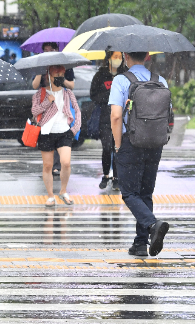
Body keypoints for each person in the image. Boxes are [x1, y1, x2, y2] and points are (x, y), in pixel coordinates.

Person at [109, 52, 170, 257]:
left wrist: (118, 145)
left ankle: (153, 224)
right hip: (155, 143)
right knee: (145, 192)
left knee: (129, 193)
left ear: (125, 56)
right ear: (147, 56)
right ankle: (141, 243)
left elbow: (116, 116)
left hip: (131, 142)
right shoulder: (160, 80)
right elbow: (167, 112)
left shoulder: (121, 80)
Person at [31, 65, 81, 207]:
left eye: (61, 73)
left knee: (66, 162)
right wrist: (48, 101)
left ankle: (63, 190)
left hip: (64, 132)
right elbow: (34, 111)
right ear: (48, 74)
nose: (59, 76)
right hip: (46, 133)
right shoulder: (40, 94)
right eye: (56, 73)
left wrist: (75, 129)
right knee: (48, 166)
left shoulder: (68, 93)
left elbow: (77, 111)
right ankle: (50, 195)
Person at [32, 42, 75, 176]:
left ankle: (56, 166)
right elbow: (34, 85)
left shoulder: (65, 65)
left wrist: (60, 79)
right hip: (46, 101)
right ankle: (49, 165)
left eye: (51, 50)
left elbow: (71, 85)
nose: (48, 52)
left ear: (57, 50)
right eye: (45, 50)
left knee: (59, 131)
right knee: (47, 133)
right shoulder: (41, 66)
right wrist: (41, 72)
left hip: (61, 101)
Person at [91, 51, 125, 190]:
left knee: (118, 148)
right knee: (106, 148)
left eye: (120, 57)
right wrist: (109, 96)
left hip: (121, 118)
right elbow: (93, 95)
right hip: (105, 118)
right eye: (115, 57)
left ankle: (117, 178)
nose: (118, 59)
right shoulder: (100, 75)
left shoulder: (124, 74)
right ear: (109, 58)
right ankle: (106, 175)